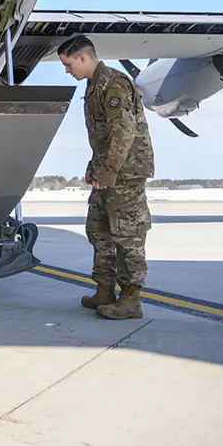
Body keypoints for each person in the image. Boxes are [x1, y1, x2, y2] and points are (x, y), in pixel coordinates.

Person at [57, 34, 155, 320]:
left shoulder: (112, 83)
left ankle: (131, 299)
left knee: (128, 235)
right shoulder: (93, 86)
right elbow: (103, 136)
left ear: (83, 58)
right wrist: (94, 165)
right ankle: (104, 289)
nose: (67, 70)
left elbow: (122, 132)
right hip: (107, 172)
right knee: (98, 229)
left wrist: (109, 171)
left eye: (68, 64)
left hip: (125, 174)